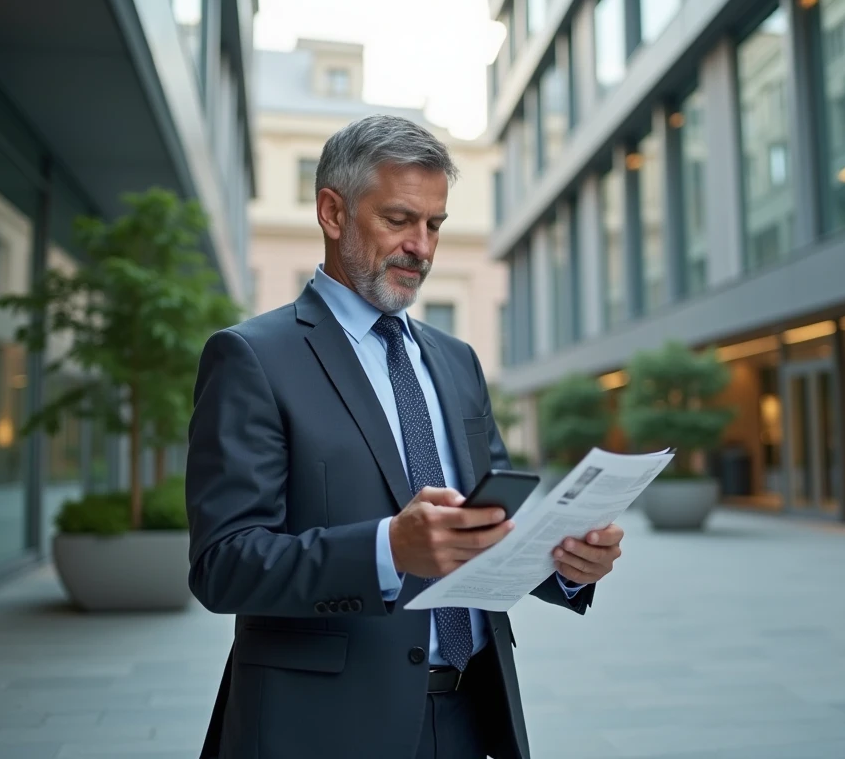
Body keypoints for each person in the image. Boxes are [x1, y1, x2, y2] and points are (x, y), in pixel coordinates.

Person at [185, 114, 625, 759]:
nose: (421, 246)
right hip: (325, 728)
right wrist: (389, 548)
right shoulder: (252, 357)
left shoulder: (456, 360)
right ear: (332, 213)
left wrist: (563, 562)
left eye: (435, 225)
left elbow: (491, 523)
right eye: (398, 220)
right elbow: (223, 565)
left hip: (475, 716)